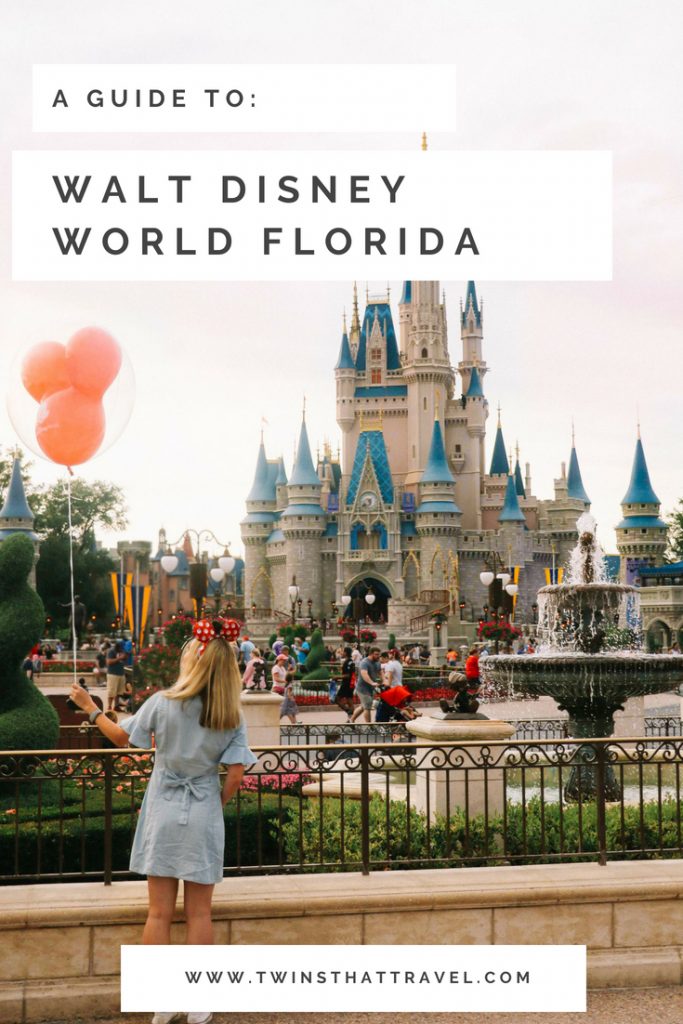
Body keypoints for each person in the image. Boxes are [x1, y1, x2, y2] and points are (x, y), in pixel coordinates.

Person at [68, 616, 255, 1024]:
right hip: (202, 807)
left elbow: (122, 739)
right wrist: (214, 804)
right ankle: (199, 1002)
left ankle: (163, 1000)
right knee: (200, 913)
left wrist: (90, 708)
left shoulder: (162, 702)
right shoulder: (230, 715)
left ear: (193, 661)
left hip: (163, 809)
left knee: (159, 912)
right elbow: (237, 775)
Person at [351, 647, 382, 723]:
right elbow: (364, 674)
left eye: (379, 654)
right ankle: (369, 726)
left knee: (363, 706)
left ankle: (351, 720)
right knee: (367, 707)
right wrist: (372, 682)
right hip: (362, 689)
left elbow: (380, 673)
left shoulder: (377, 662)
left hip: (370, 688)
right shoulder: (364, 662)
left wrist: (384, 680)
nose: (378, 656)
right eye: (376, 654)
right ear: (371, 654)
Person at [335, 647, 356, 719]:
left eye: (343, 651)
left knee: (337, 699)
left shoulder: (348, 662)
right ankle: (351, 718)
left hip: (347, 684)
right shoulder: (350, 661)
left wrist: (337, 677)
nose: (341, 653)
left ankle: (349, 711)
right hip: (350, 683)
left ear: (346, 653)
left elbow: (347, 675)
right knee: (349, 700)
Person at [106, 640, 127, 711]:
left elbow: (124, 660)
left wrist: (125, 656)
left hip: (121, 673)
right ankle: (109, 706)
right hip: (113, 674)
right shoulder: (111, 651)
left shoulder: (122, 651)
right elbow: (109, 662)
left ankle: (116, 706)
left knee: (119, 692)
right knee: (112, 691)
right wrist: (119, 658)